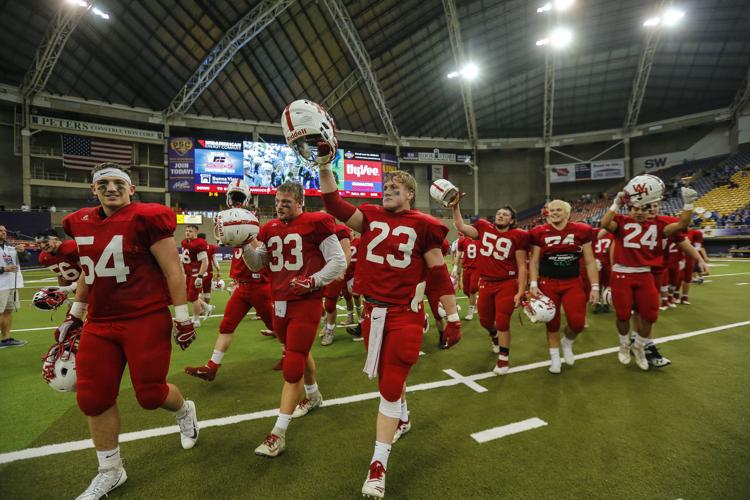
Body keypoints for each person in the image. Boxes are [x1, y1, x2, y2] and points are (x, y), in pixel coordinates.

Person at [320, 162, 461, 496]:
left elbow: (439, 275)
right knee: (388, 378)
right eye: (386, 188)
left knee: (390, 385)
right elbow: (333, 204)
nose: (388, 192)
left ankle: (378, 465)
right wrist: (325, 165)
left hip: (405, 314)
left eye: (396, 188)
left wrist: (453, 318)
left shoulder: (425, 226)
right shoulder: (369, 216)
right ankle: (405, 417)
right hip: (373, 313)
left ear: (410, 194)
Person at [61, 163, 198, 499]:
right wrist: (76, 313)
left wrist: (183, 317)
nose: (111, 188)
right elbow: (88, 272)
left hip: (144, 317)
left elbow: (173, 270)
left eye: (118, 183)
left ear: (131, 189)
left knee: (150, 395)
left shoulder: (146, 218)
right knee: (93, 397)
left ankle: (184, 410)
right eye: (103, 183)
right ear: (94, 190)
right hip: (101, 322)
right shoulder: (80, 222)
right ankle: (111, 470)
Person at [241, 180, 346, 457]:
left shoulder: (317, 222)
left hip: (305, 303)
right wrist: (242, 245)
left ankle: (278, 433)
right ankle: (313, 396)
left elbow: (338, 261)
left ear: (300, 202)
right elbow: (257, 263)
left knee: (292, 364)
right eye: (277, 201)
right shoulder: (270, 228)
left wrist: (313, 281)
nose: (280, 206)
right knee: (296, 352)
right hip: (279, 303)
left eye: (286, 202)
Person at [185, 181, 276, 382]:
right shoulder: (226, 219)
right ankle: (212, 367)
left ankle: (291, 355)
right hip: (242, 286)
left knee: (276, 326)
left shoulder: (252, 221)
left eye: (239, 197)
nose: (236, 201)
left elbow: (260, 249)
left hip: (259, 285)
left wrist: (246, 233)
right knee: (226, 326)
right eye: (234, 197)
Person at [601, 185, 696, 370]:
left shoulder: (659, 225)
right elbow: (605, 224)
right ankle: (623, 344)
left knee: (651, 315)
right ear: (629, 209)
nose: (639, 212)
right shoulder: (620, 221)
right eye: (635, 208)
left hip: (644, 273)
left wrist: (688, 203)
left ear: (650, 210)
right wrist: (615, 204)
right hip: (622, 273)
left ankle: (638, 347)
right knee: (622, 314)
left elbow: (682, 225)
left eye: (643, 209)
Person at [453, 204, 528, 374]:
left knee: (502, 321)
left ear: (512, 220)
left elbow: (522, 266)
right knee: (485, 320)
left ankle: (503, 359)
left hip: (507, 283)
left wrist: (521, 290)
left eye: (505, 214)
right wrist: (456, 206)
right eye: (498, 213)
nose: (500, 216)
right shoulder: (483, 228)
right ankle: (494, 336)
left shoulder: (518, 235)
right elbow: (460, 225)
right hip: (485, 282)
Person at [528, 200, 599, 374]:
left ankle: (567, 342)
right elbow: (534, 261)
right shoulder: (539, 232)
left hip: (572, 282)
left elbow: (589, 261)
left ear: (567, 213)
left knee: (577, 323)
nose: (554, 213)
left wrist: (595, 286)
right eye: (552, 210)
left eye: (559, 210)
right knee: (551, 322)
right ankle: (554, 359)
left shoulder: (582, 230)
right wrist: (533, 283)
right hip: (548, 282)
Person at [320, 221, 352, 346]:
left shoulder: (339, 230)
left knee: (329, 304)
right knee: (315, 301)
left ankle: (330, 329)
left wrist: (342, 270)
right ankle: (326, 323)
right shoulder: (313, 229)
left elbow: (347, 252)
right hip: (318, 269)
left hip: (333, 270)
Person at [0, 225, 28, 348]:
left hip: (11, 284)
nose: (4, 232)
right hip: (0, 286)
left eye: (4, 230)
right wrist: (3, 269)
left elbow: (26, 259)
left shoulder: (10, 247)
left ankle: (6, 339)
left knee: (8, 311)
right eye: (0, 231)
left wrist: (23, 252)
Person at [36, 229, 82, 295]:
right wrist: (64, 296)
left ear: (56, 239)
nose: (42, 246)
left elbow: (88, 272)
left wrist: (70, 288)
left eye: (45, 241)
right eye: (39, 243)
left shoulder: (71, 247)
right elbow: (61, 276)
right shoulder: (44, 258)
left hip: (94, 286)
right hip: (79, 292)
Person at [180, 225, 209, 326]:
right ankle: (206, 307)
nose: (187, 233)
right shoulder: (185, 242)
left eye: (190, 231)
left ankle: (196, 320)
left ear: (196, 233)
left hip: (196, 273)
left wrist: (200, 276)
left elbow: (205, 262)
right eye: (186, 231)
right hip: (189, 273)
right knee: (189, 297)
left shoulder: (199, 243)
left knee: (194, 297)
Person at [455, 232, 480, 321]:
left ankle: (470, 312)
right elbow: (459, 254)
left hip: (476, 269)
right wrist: (456, 266)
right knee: (466, 291)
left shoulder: (480, 241)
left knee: (473, 289)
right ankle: (475, 303)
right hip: (466, 268)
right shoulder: (462, 241)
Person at [196, 232, 219, 319]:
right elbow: (214, 259)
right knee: (207, 292)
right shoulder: (211, 247)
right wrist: (218, 270)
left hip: (199, 272)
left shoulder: (194, 246)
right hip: (209, 272)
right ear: (205, 238)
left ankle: (202, 309)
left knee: (196, 292)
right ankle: (206, 308)